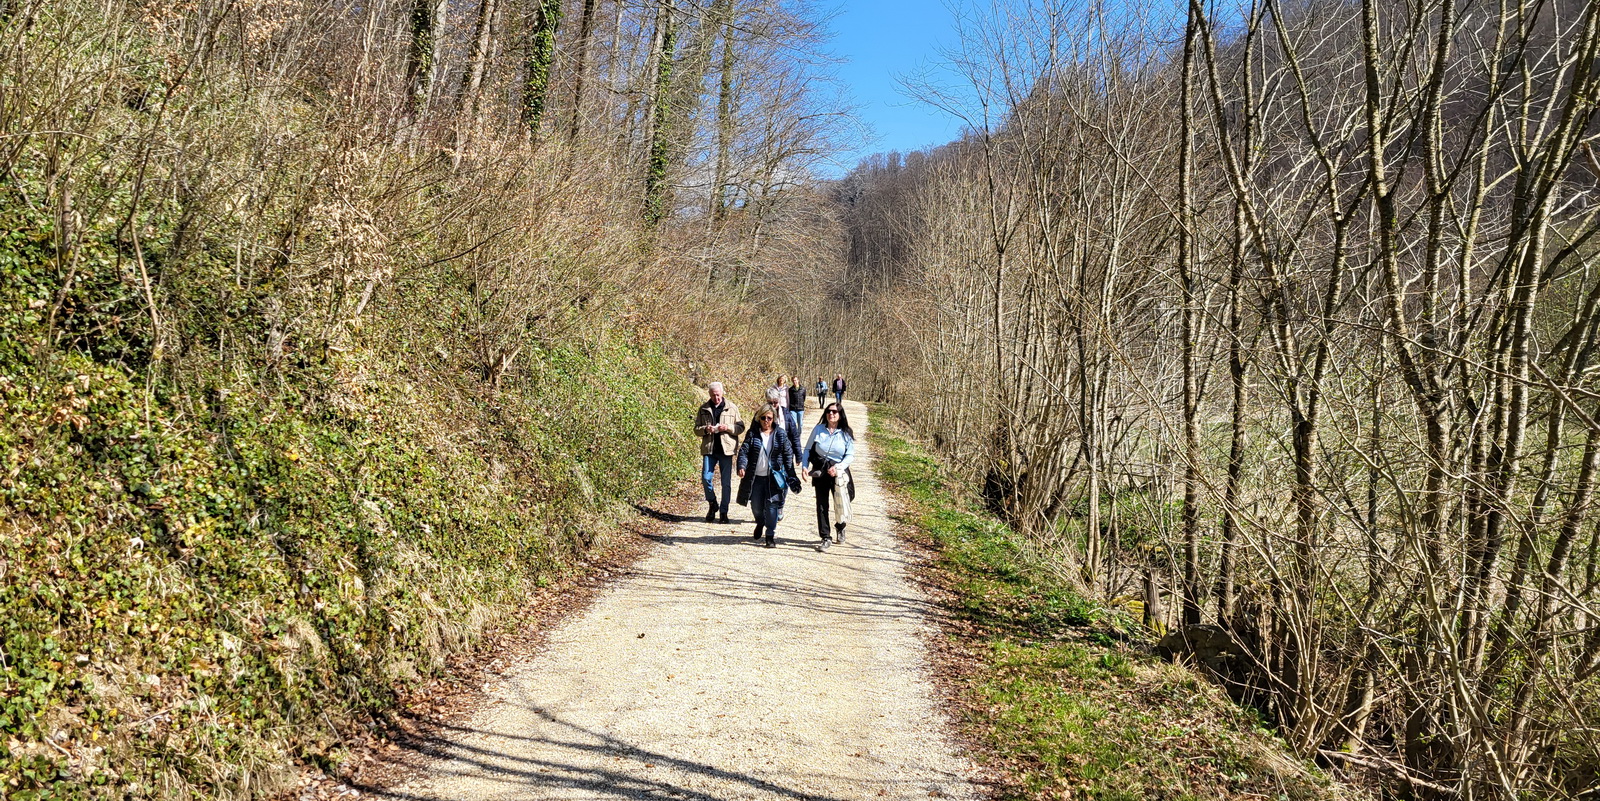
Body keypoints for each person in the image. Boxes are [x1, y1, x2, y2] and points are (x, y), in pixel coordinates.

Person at [737, 404, 797, 548]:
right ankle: (760, 522)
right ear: (759, 418)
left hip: (773, 478)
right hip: (756, 477)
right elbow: (744, 451)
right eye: (763, 418)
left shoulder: (780, 434)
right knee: (756, 506)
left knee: (772, 506)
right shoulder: (753, 434)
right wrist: (741, 466)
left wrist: (792, 476)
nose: (766, 421)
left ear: (773, 419)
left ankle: (770, 535)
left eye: (769, 418)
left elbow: (788, 455)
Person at [803, 402, 856, 552]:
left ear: (840, 415)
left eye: (834, 411)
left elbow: (850, 455)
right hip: (821, 469)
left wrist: (838, 468)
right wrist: (805, 467)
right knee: (821, 504)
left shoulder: (846, 432)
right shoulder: (818, 429)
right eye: (828, 411)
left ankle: (841, 526)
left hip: (838, 471)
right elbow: (807, 449)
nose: (831, 414)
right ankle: (825, 537)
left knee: (841, 501)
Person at [695, 382, 744, 524]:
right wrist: (705, 429)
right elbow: (696, 429)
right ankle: (712, 503)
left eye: (718, 395)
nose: (716, 398)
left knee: (726, 483)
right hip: (709, 449)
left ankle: (724, 512)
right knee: (706, 478)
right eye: (713, 395)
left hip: (726, 450)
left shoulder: (732, 408)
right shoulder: (703, 409)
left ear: (722, 393)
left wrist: (727, 427)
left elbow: (740, 427)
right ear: (709, 394)